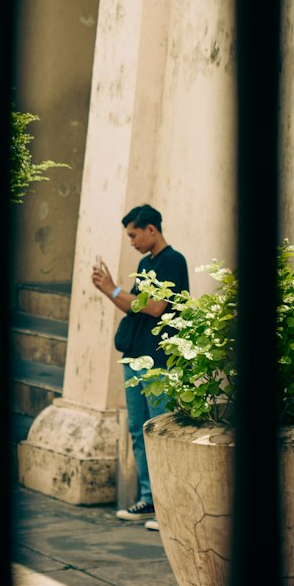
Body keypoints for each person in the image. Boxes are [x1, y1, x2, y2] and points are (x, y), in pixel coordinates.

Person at [92, 204, 189, 530]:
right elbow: (133, 305)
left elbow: (157, 307)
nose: (131, 241)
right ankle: (149, 499)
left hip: (160, 360)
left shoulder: (174, 261)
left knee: (160, 431)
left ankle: (168, 507)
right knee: (139, 430)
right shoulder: (144, 263)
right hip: (135, 356)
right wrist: (109, 291)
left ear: (151, 229)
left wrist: (114, 289)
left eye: (134, 234)